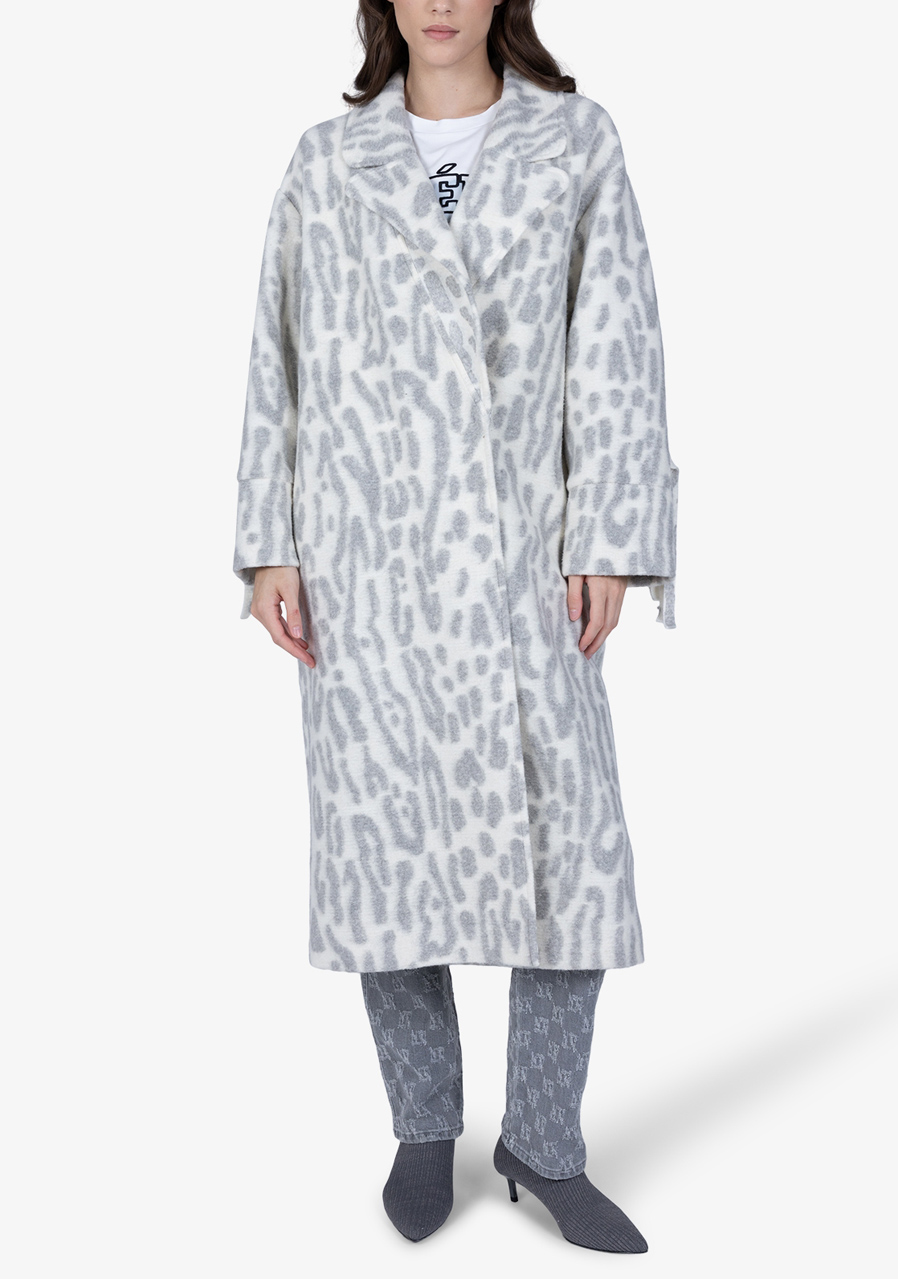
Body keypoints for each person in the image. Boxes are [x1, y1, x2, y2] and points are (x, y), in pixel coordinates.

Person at [232, 0, 679, 1252]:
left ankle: (542, 1137)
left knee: (573, 850)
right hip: (365, 564)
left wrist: (608, 537)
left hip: (525, 559)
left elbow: (618, 343)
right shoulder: (328, 162)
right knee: (385, 851)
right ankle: (423, 1126)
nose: (439, 1)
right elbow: (274, 358)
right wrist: (270, 545)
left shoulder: (577, 142)